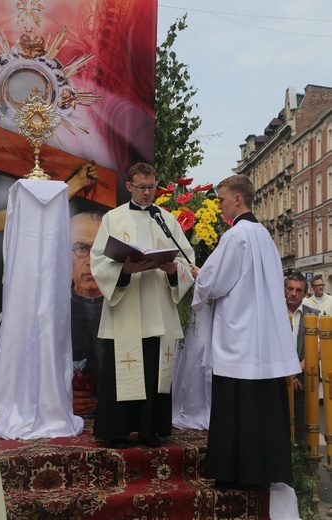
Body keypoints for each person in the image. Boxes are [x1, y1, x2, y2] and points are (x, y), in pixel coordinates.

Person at [190, 174, 301, 490]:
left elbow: (214, 284)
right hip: (262, 337)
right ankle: (261, 473)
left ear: (237, 199)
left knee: (235, 406)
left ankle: (232, 473)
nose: (221, 204)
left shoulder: (235, 235)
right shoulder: (265, 235)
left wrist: (199, 277)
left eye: (222, 198)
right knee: (262, 406)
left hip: (238, 337)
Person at [90, 162, 194, 448]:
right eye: (142, 187)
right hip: (126, 308)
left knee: (154, 369)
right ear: (129, 187)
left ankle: (151, 429)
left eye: (152, 187)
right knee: (124, 368)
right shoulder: (113, 218)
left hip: (158, 309)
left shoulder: (167, 219)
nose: (148, 193)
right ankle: (117, 430)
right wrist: (125, 271)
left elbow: (187, 258)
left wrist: (175, 272)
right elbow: (98, 261)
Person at [70, 211, 104, 417]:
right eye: (81, 248)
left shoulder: (128, 311)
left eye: (99, 250)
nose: (91, 261)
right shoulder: (50, 312)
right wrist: (58, 398)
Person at [285, 272, 319, 445]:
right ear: (284, 290)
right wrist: (285, 374)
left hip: (302, 382)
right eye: (290, 289)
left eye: (298, 290)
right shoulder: (272, 314)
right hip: (276, 381)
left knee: (301, 431)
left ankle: (304, 469)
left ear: (305, 293)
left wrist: (296, 371)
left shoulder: (313, 315)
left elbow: (319, 348)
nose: (293, 293)